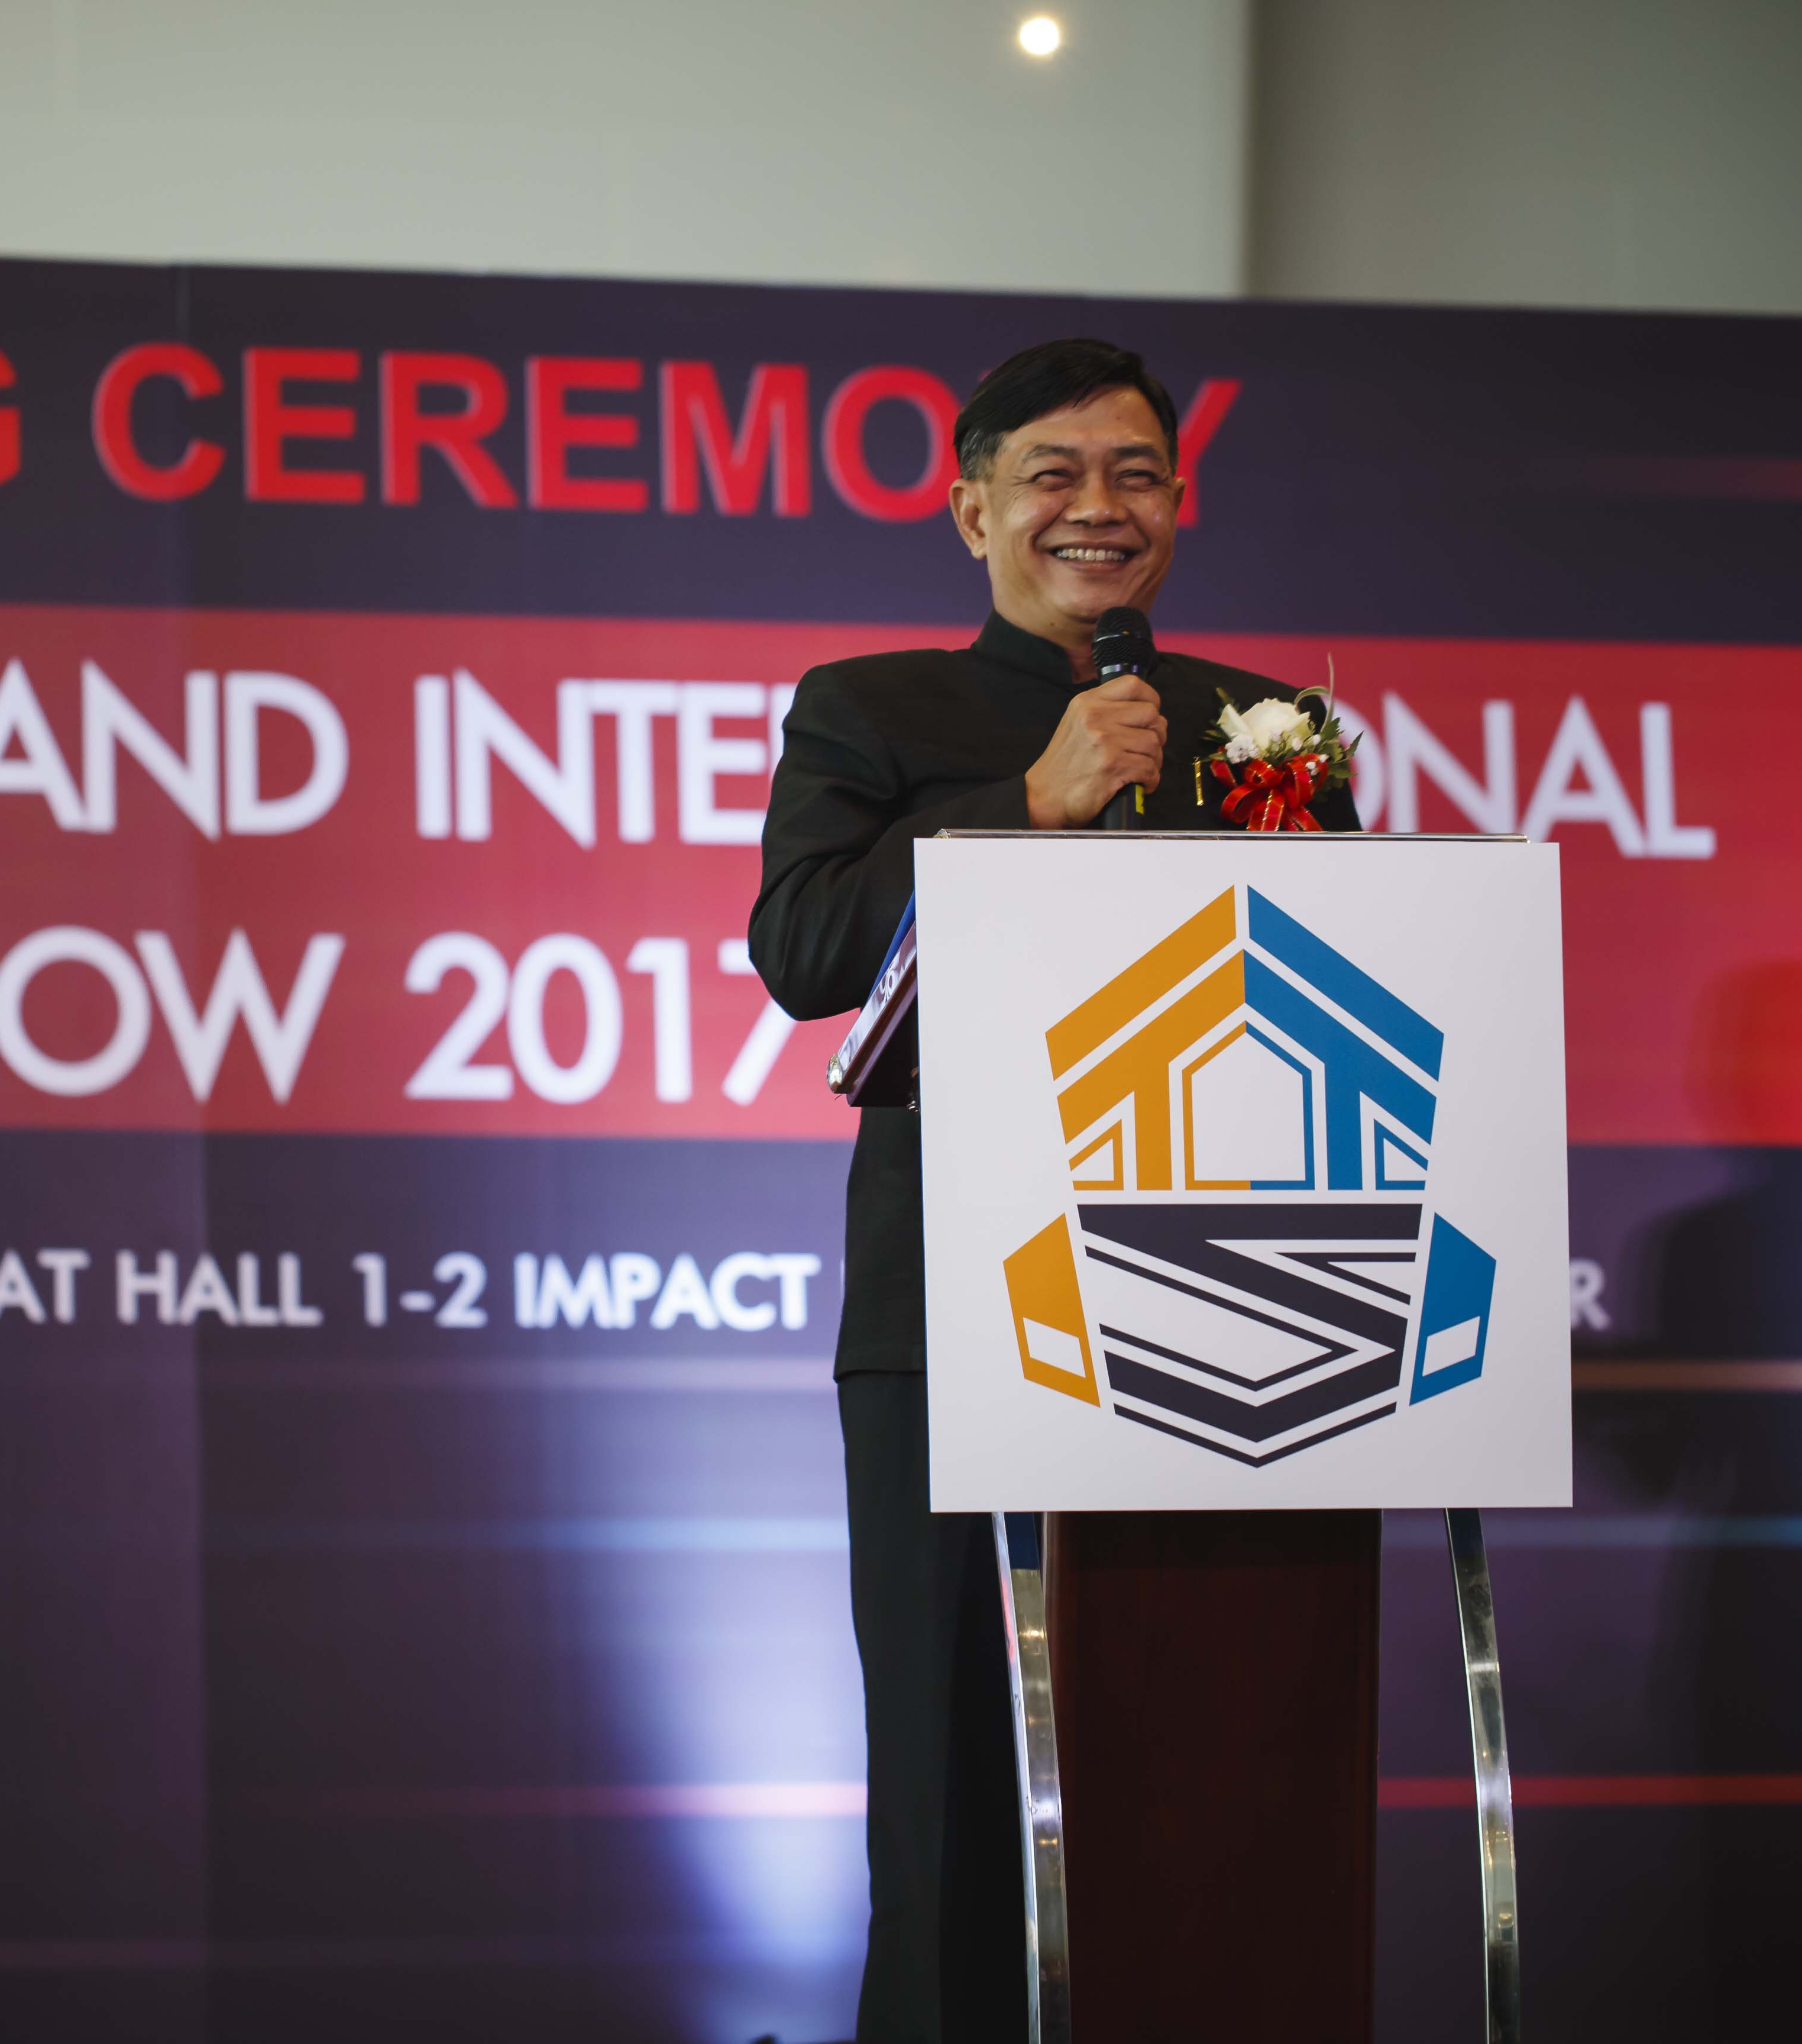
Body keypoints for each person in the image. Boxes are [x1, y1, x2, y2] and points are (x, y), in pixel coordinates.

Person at [746, 337, 1355, 2043]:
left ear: (1181, 502)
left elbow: (1346, 966)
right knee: (956, 1782)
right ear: (973, 513)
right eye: (1055, 476)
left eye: (1137, 474)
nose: (1101, 508)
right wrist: (1027, 801)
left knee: (1222, 1776)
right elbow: (803, 950)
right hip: (959, 1312)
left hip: (1244, 1308)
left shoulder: (1268, 730)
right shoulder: (872, 709)